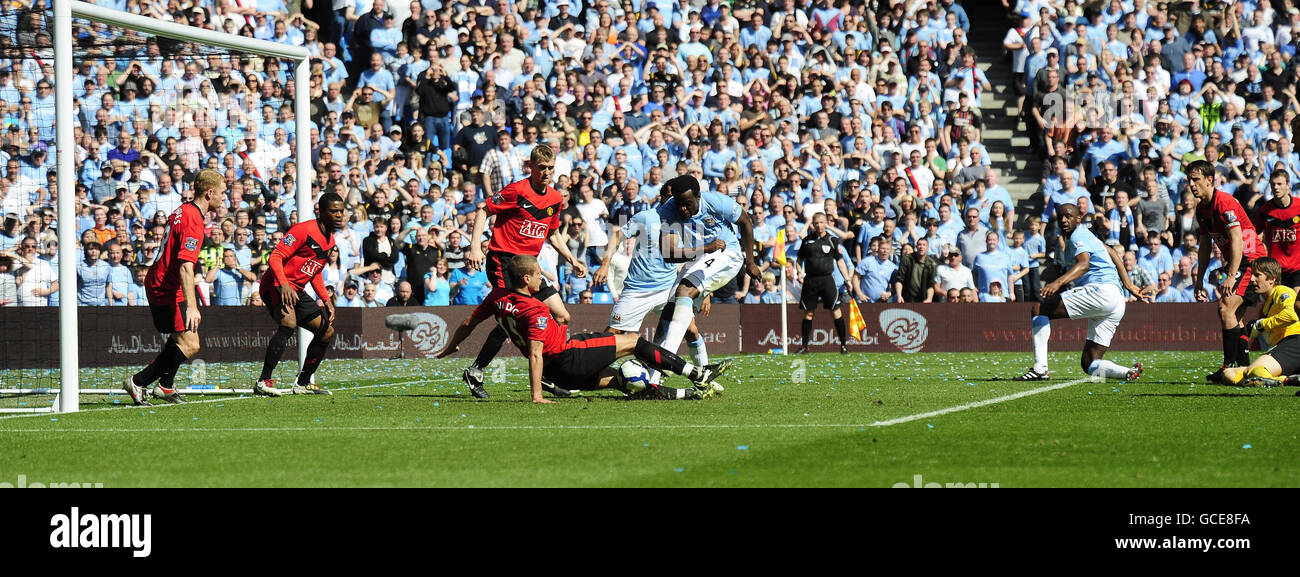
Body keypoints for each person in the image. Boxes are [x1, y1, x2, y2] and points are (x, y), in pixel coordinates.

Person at [437, 255, 723, 403]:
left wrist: (451, 348)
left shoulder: (496, 297)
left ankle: (692, 395)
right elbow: (535, 354)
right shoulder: (535, 309)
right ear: (526, 278)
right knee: (632, 341)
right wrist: (536, 395)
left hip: (559, 374)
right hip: (568, 357)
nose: (543, 278)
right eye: (539, 274)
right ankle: (697, 375)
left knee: (624, 382)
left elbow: (467, 323)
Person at [459, 144, 587, 399]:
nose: (547, 172)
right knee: (512, 319)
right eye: (542, 168)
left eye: (551, 168)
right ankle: (477, 370)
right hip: (503, 262)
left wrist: (572, 259)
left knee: (562, 316)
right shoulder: (516, 190)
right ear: (531, 167)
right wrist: (475, 247)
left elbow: (551, 233)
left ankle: (546, 372)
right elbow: (484, 210)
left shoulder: (553, 198)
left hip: (530, 267)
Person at [592, 192, 729, 387]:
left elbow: (696, 258)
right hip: (638, 290)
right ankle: (587, 371)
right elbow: (616, 235)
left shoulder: (687, 224)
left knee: (690, 329)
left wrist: (704, 291)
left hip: (668, 289)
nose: (680, 205)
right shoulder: (645, 217)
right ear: (664, 197)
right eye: (675, 199)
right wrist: (605, 264)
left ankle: (704, 379)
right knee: (612, 334)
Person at [123, 169, 224, 405]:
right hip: (166, 287)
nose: (224, 198)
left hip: (163, 282)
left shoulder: (183, 210)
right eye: (222, 193)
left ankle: (166, 386)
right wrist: (192, 306)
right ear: (210, 193)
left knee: (182, 340)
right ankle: (138, 382)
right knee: (191, 343)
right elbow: (185, 268)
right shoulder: (193, 222)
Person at [1014, 204, 1148, 382]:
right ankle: (1126, 373)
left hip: (1100, 291)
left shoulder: (1079, 235)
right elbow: (1113, 252)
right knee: (1089, 363)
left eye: (1068, 216)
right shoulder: (1087, 235)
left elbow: (1084, 264)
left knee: (1039, 309)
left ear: (1078, 218)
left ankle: (1040, 369)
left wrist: (1057, 282)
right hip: (1115, 299)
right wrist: (1128, 285)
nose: (1063, 220)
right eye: (1061, 216)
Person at [652, 175, 761, 362]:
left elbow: (745, 221)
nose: (682, 209)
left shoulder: (716, 201)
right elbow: (669, 254)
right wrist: (705, 248)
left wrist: (750, 261)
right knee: (671, 311)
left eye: (687, 203)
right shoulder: (668, 210)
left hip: (728, 253)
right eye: (679, 203)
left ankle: (666, 359)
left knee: (684, 290)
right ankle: (694, 375)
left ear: (698, 196)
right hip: (699, 255)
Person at [252, 192, 346, 397]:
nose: (339, 215)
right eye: (334, 211)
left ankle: (303, 383)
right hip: (275, 284)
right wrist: (284, 284)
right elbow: (275, 257)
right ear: (320, 212)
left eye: (341, 211)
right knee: (288, 323)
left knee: (327, 331)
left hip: (297, 289)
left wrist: (326, 299)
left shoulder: (330, 241)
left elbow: (315, 271)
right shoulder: (303, 230)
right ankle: (263, 381)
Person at [1189, 160, 1268, 382]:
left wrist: (1231, 275)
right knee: (1232, 314)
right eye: (1189, 180)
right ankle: (1242, 368)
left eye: (1196, 179)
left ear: (1209, 180)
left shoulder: (1224, 202)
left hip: (1250, 258)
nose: (1192, 184)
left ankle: (1229, 367)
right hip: (1237, 261)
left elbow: (1236, 239)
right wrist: (1199, 279)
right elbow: (1205, 245)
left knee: (1225, 307)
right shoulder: (1201, 209)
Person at [1220, 258, 1300, 388]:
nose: (1252, 279)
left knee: (1257, 370)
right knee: (1229, 374)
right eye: (1252, 274)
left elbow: (1292, 315)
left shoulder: (1281, 291)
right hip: (1283, 348)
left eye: (1257, 275)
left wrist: (1261, 324)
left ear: (1272, 279)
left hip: (1295, 342)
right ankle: (1287, 380)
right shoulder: (1267, 304)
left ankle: (1277, 378)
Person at [796, 213, 853, 354]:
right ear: (813, 224)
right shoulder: (807, 241)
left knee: (836, 312)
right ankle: (805, 347)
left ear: (825, 223)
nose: (819, 225)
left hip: (827, 280)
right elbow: (799, 260)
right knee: (808, 313)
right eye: (816, 223)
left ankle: (844, 345)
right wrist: (799, 272)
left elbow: (840, 261)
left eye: (822, 222)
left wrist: (847, 279)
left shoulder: (833, 240)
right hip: (810, 280)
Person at [1252, 170, 1300, 288]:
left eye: (1279, 184)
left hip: (1297, 268)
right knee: (1278, 304)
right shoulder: (1264, 211)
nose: (1276, 187)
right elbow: (1254, 236)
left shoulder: (1299, 207)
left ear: (1288, 185)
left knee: (1295, 302)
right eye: (1273, 184)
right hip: (1275, 270)